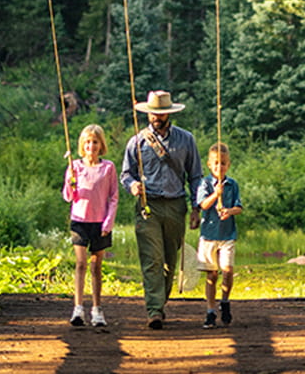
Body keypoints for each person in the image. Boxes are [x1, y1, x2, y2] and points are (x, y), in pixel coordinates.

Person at [121, 90, 202, 329]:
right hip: (148, 206)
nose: (156, 117)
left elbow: (195, 176)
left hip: (176, 206)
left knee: (169, 260)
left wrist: (196, 208)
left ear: (169, 113)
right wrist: (133, 185)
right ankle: (154, 310)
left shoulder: (186, 140)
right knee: (152, 259)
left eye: (160, 113)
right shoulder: (137, 141)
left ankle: (160, 301)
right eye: (152, 113)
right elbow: (126, 174)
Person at [62, 124, 118, 327]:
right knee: (81, 263)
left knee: (96, 266)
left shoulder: (108, 167)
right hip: (79, 220)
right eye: (87, 142)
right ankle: (78, 308)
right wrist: (71, 181)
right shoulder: (75, 166)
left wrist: (109, 221)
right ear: (81, 145)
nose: (90, 146)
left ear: (100, 145)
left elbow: (113, 197)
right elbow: (68, 196)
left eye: (94, 142)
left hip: (100, 222)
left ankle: (97, 309)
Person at [196, 142, 243, 328]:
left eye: (223, 163)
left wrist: (229, 211)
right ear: (209, 164)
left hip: (227, 235)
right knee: (211, 274)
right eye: (215, 163)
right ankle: (210, 310)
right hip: (208, 235)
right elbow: (203, 205)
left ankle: (225, 301)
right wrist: (216, 194)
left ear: (228, 164)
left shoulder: (233, 185)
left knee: (227, 269)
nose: (219, 167)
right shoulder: (205, 183)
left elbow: (239, 207)